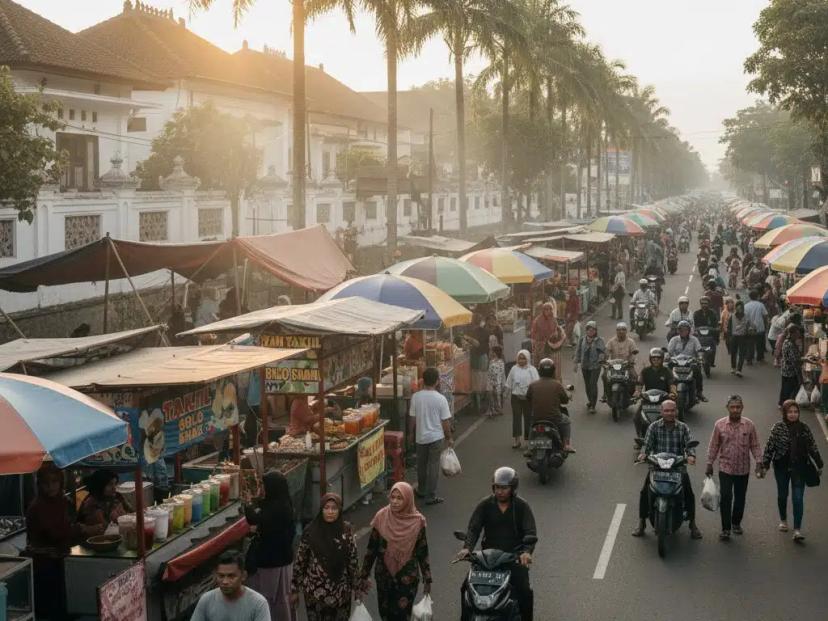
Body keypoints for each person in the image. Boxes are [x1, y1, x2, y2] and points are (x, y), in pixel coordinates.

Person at [457, 467, 537, 621]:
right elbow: (474, 529)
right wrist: (467, 548)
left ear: (512, 488)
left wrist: (527, 552)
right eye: (497, 487)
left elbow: (530, 532)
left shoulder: (522, 506)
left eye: (504, 488)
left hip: (513, 558)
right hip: (487, 559)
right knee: (465, 588)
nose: (500, 491)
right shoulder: (485, 504)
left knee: (525, 591)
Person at [358, 482, 431, 620]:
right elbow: (371, 549)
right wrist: (363, 575)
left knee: (402, 615)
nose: (395, 501)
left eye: (400, 498)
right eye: (393, 497)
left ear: (408, 499)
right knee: (385, 614)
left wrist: (427, 579)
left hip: (407, 578)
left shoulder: (417, 522)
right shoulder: (381, 517)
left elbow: (422, 551)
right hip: (384, 576)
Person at [632, 400, 702, 539]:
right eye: (666, 411)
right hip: (657, 466)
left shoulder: (683, 427)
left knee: (689, 493)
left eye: (672, 410)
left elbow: (689, 445)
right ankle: (641, 523)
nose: (670, 413)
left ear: (676, 411)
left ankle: (692, 524)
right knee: (644, 492)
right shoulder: (653, 427)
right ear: (661, 412)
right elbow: (647, 444)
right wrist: (643, 454)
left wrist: (691, 456)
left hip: (677, 467)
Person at [762, 400, 824, 541]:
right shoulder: (777, 428)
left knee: (798, 498)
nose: (793, 414)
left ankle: (797, 530)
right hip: (781, 468)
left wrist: (819, 463)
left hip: (800, 468)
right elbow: (769, 447)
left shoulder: (804, 428)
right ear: (784, 413)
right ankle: (783, 520)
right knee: (782, 495)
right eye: (790, 412)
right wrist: (765, 465)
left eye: (796, 412)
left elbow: (812, 446)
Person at [291, 493, 359, 619]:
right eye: (326, 508)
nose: (330, 512)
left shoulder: (347, 531)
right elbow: (300, 561)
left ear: (339, 510)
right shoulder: (310, 531)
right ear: (321, 509)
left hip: (341, 594)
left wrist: (357, 587)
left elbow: (353, 560)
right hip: (315, 594)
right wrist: (294, 589)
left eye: (334, 508)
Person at [705, 395, 764, 540]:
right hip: (725, 468)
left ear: (742, 408)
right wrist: (709, 463)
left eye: (738, 407)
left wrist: (759, 462)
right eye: (732, 407)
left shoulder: (749, 425)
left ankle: (736, 523)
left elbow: (755, 445)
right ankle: (725, 528)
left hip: (743, 469)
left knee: (740, 498)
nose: (735, 410)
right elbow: (714, 445)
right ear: (727, 408)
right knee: (726, 497)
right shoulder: (719, 425)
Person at [26, 464, 79, 621]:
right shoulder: (37, 507)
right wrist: (81, 529)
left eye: (54, 481)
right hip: (44, 564)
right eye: (46, 483)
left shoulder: (62, 501)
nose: (51, 487)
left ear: (61, 482)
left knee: (66, 604)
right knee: (52, 609)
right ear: (40, 485)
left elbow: (68, 523)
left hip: (62, 559)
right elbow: (55, 534)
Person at [245, 471, 296, 621]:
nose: (262, 488)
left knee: (268, 600)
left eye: (264, 485)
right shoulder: (282, 503)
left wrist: (248, 503)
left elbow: (254, 519)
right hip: (283, 561)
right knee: (281, 600)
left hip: (271, 563)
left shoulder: (277, 508)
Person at [409, 367, 454, 504]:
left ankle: (422, 490)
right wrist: (449, 437)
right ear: (437, 381)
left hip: (420, 437)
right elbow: (445, 421)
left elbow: (412, 419)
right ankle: (431, 495)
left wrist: (411, 433)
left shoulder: (416, 397)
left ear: (423, 380)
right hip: (436, 437)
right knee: (433, 466)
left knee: (421, 465)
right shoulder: (441, 399)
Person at [192, 551, 270, 621]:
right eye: (221, 576)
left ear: (243, 576)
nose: (225, 582)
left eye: (231, 576)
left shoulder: (258, 603)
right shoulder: (206, 600)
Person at [526, 358, 574, 452]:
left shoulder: (532, 385)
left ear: (540, 371)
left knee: (532, 424)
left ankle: (530, 448)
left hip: (537, 417)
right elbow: (565, 400)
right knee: (566, 421)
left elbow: (528, 398)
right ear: (553, 371)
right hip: (554, 418)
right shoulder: (557, 385)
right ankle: (566, 445)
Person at [77, 469, 131, 536]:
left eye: (115, 483)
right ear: (100, 486)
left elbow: (132, 512)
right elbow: (102, 529)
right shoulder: (91, 504)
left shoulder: (117, 496)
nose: (114, 488)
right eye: (110, 484)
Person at [506, 350, 540, 448]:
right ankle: (517, 440)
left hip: (528, 398)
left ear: (528, 359)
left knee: (528, 419)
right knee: (516, 418)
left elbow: (537, 384)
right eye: (519, 358)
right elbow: (509, 383)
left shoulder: (532, 370)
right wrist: (505, 394)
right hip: (516, 397)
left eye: (523, 358)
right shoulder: (514, 369)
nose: (521, 360)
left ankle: (528, 441)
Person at [666, 321, 707, 401]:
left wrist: (700, 357)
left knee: (697, 372)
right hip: (676, 362)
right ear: (678, 331)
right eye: (681, 330)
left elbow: (699, 350)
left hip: (690, 363)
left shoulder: (694, 339)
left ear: (689, 331)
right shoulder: (674, 340)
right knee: (667, 371)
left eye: (685, 330)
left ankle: (699, 392)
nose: (683, 332)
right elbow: (669, 352)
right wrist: (667, 357)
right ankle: (667, 391)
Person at [574, 321, 606, 414]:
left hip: (595, 366)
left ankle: (593, 405)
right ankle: (590, 400)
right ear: (586, 330)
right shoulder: (582, 339)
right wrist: (575, 363)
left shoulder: (599, 340)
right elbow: (578, 351)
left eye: (593, 330)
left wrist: (601, 357)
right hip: (585, 366)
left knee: (592, 384)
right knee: (587, 385)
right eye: (589, 329)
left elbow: (602, 352)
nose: (591, 331)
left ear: (596, 331)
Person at [602, 322, 638, 403]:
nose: (621, 331)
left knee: (635, 376)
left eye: (623, 330)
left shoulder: (631, 341)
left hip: (627, 365)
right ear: (616, 331)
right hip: (613, 366)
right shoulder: (611, 341)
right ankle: (605, 394)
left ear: (626, 331)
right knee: (604, 376)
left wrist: (631, 360)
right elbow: (607, 352)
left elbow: (634, 352)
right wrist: (604, 360)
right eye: (619, 330)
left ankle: (633, 394)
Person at [530, 302, 563, 367]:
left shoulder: (553, 320)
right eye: (546, 309)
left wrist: (555, 334)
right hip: (540, 345)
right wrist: (534, 344)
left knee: (549, 364)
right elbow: (533, 333)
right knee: (539, 364)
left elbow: (556, 330)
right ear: (543, 310)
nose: (549, 311)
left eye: (550, 309)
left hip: (550, 345)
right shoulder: (538, 320)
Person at [778, 324, 803, 407]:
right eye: (797, 333)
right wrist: (804, 360)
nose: (798, 335)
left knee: (786, 388)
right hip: (789, 370)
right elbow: (794, 359)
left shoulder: (788, 341)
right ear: (792, 334)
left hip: (786, 369)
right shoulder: (789, 344)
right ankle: (785, 404)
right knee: (789, 388)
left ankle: (783, 403)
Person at [694, 296, 720, 366]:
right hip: (699, 336)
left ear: (709, 304)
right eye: (702, 303)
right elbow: (694, 325)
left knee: (713, 346)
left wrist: (717, 329)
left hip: (710, 335)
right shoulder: (696, 313)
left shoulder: (713, 313)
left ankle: (712, 362)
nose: (704, 305)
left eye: (705, 303)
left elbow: (716, 325)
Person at [744, 289, 769, 364]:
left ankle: (749, 359)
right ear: (757, 296)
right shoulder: (760, 305)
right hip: (760, 327)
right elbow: (765, 315)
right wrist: (766, 325)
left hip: (750, 328)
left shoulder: (746, 306)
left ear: (750, 297)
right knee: (760, 344)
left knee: (750, 345)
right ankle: (760, 358)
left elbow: (744, 318)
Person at [727, 300, 751, 377]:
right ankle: (733, 368)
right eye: (738, 308)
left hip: (743, 337)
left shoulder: (746, 316)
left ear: (743, 308)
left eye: (741, 308)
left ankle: (739, 370)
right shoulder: (732, 316)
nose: (739, 309)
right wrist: (729, 337)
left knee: (742, 354)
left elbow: (749, 326)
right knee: (733, 353)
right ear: (736, 308)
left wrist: (749, 330)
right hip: (734, 337)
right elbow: (729, 328)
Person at [486, 345, 506, 417]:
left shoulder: (501, 362)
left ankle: (498, 409)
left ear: (496, 353)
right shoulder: (491, 361)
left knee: (497, 396)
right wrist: (488, 382)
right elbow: (489, 373)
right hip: (490, 381)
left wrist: (503, 383)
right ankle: (492, 410)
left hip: (498, 382)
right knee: (490, 396)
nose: (491, 353)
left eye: (492, 352)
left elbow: (502, 374)